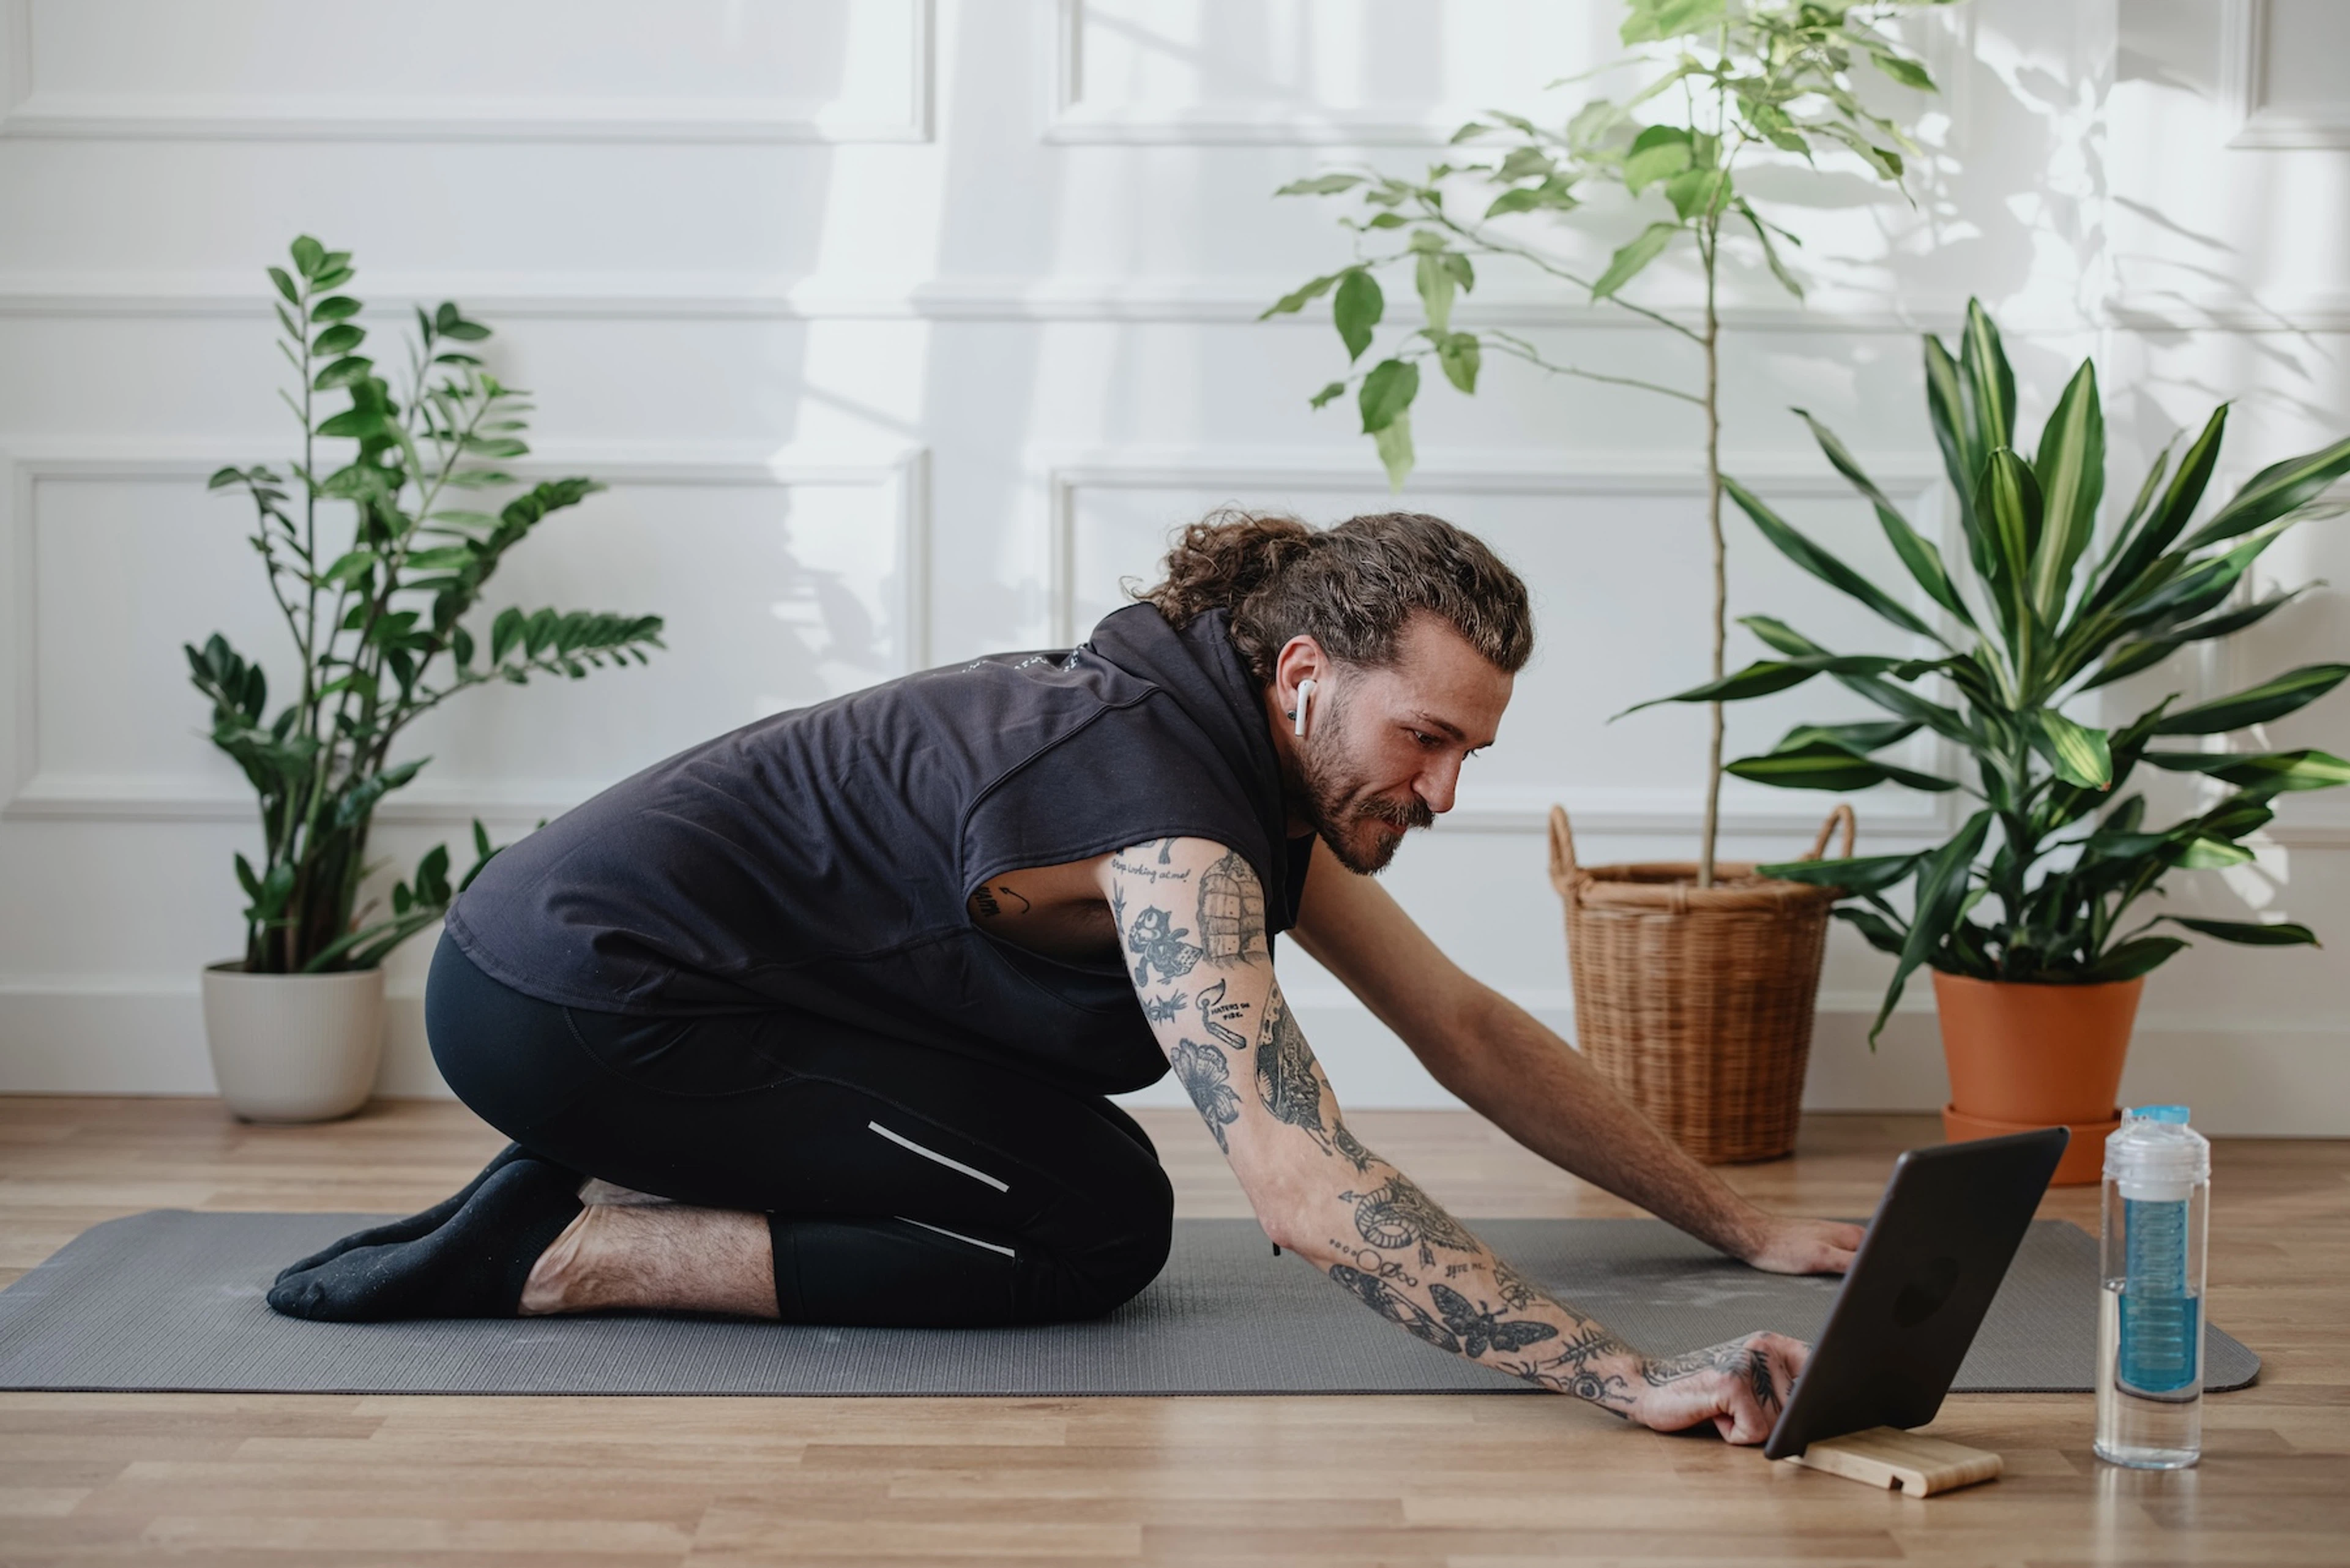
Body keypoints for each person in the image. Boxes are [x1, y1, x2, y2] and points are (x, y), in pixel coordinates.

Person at [268, 508, 1859, 1445]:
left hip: (661, 987)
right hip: (576, 1007)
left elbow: (1462, 1027)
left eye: (1469, 750)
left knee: (1091, 1182)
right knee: (1089, 1228)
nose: (1444, 792)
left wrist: (1740, 1221)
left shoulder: (1246, 765)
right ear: (1303, 679)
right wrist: (1627, 1377)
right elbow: (1305, 1193)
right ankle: (564, 1252)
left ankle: (587, 1186)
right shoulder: (1166, 817)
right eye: (1424, 739)